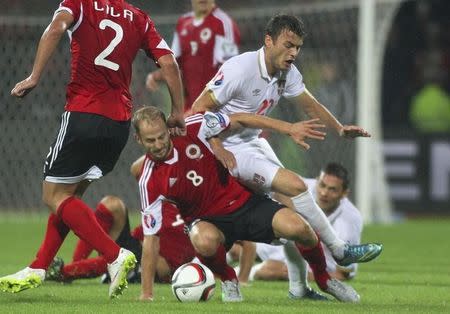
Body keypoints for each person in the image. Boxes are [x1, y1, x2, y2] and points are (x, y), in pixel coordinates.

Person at [0, 0, 185, 299]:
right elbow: (169, 62)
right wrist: (177, 110)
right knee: (69, 199)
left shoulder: (79, 3)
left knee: (53, 195)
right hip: (119, 125)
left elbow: (55, 28)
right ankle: (38, 266)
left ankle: (114, 255)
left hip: (84, 113)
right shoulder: (138, 17)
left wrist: (34, 76)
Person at [191, 14, 382, 299]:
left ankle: (298, 288)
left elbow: (310, 104)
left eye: (298, 47)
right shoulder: (240, 69)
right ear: (269, 41)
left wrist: (339, 129)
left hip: (252, 143)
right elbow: (197, 109)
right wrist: (218, 146)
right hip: (228, 148)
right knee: (296, 187)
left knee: (295, 215)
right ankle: (339, 250)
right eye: (288, 45)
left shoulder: (287, 72)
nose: (293, 53)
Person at [132, 106, 361, 303]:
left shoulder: (194, 125)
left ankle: (324, 280)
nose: (159, 144)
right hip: (208, 221)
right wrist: (146, 293)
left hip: (246, 203)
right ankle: (229, 280)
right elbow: (151, 240)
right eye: (150, 140)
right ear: (139, 140)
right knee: (202, 241)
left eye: (162, 136)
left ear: (167, 128)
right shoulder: (149, 179)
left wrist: (287, 128)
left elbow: (240, 118)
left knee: (301, 229)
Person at [233, 163, 363, 282]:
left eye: (332, 189)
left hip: (316, 264)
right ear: (317, 181)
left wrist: (303, 275)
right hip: (286, 245)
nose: (324, 193)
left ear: (344, 193)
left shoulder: (350, 220)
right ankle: (220, 272)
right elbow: (274, 190)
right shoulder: (302, 187)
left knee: (269, 270)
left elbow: (342, 274)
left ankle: (244, 273)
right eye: (322, 185)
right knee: (234, 248)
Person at [46, 196, 195, 284]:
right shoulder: (168, 195)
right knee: (112, 204)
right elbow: (136, 168)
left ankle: (62, 273)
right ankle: (76, 264)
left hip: (153, 264)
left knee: (123, 259)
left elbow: (166, 269)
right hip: (136, 243)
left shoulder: (199, 216)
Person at [146, 0, 240, 114]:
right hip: (189, 108)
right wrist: (157, 75)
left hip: (216, 111)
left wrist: (202, 105)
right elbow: (176, 64)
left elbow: (231, 75)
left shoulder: (223, 23)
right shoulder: (183, 23)